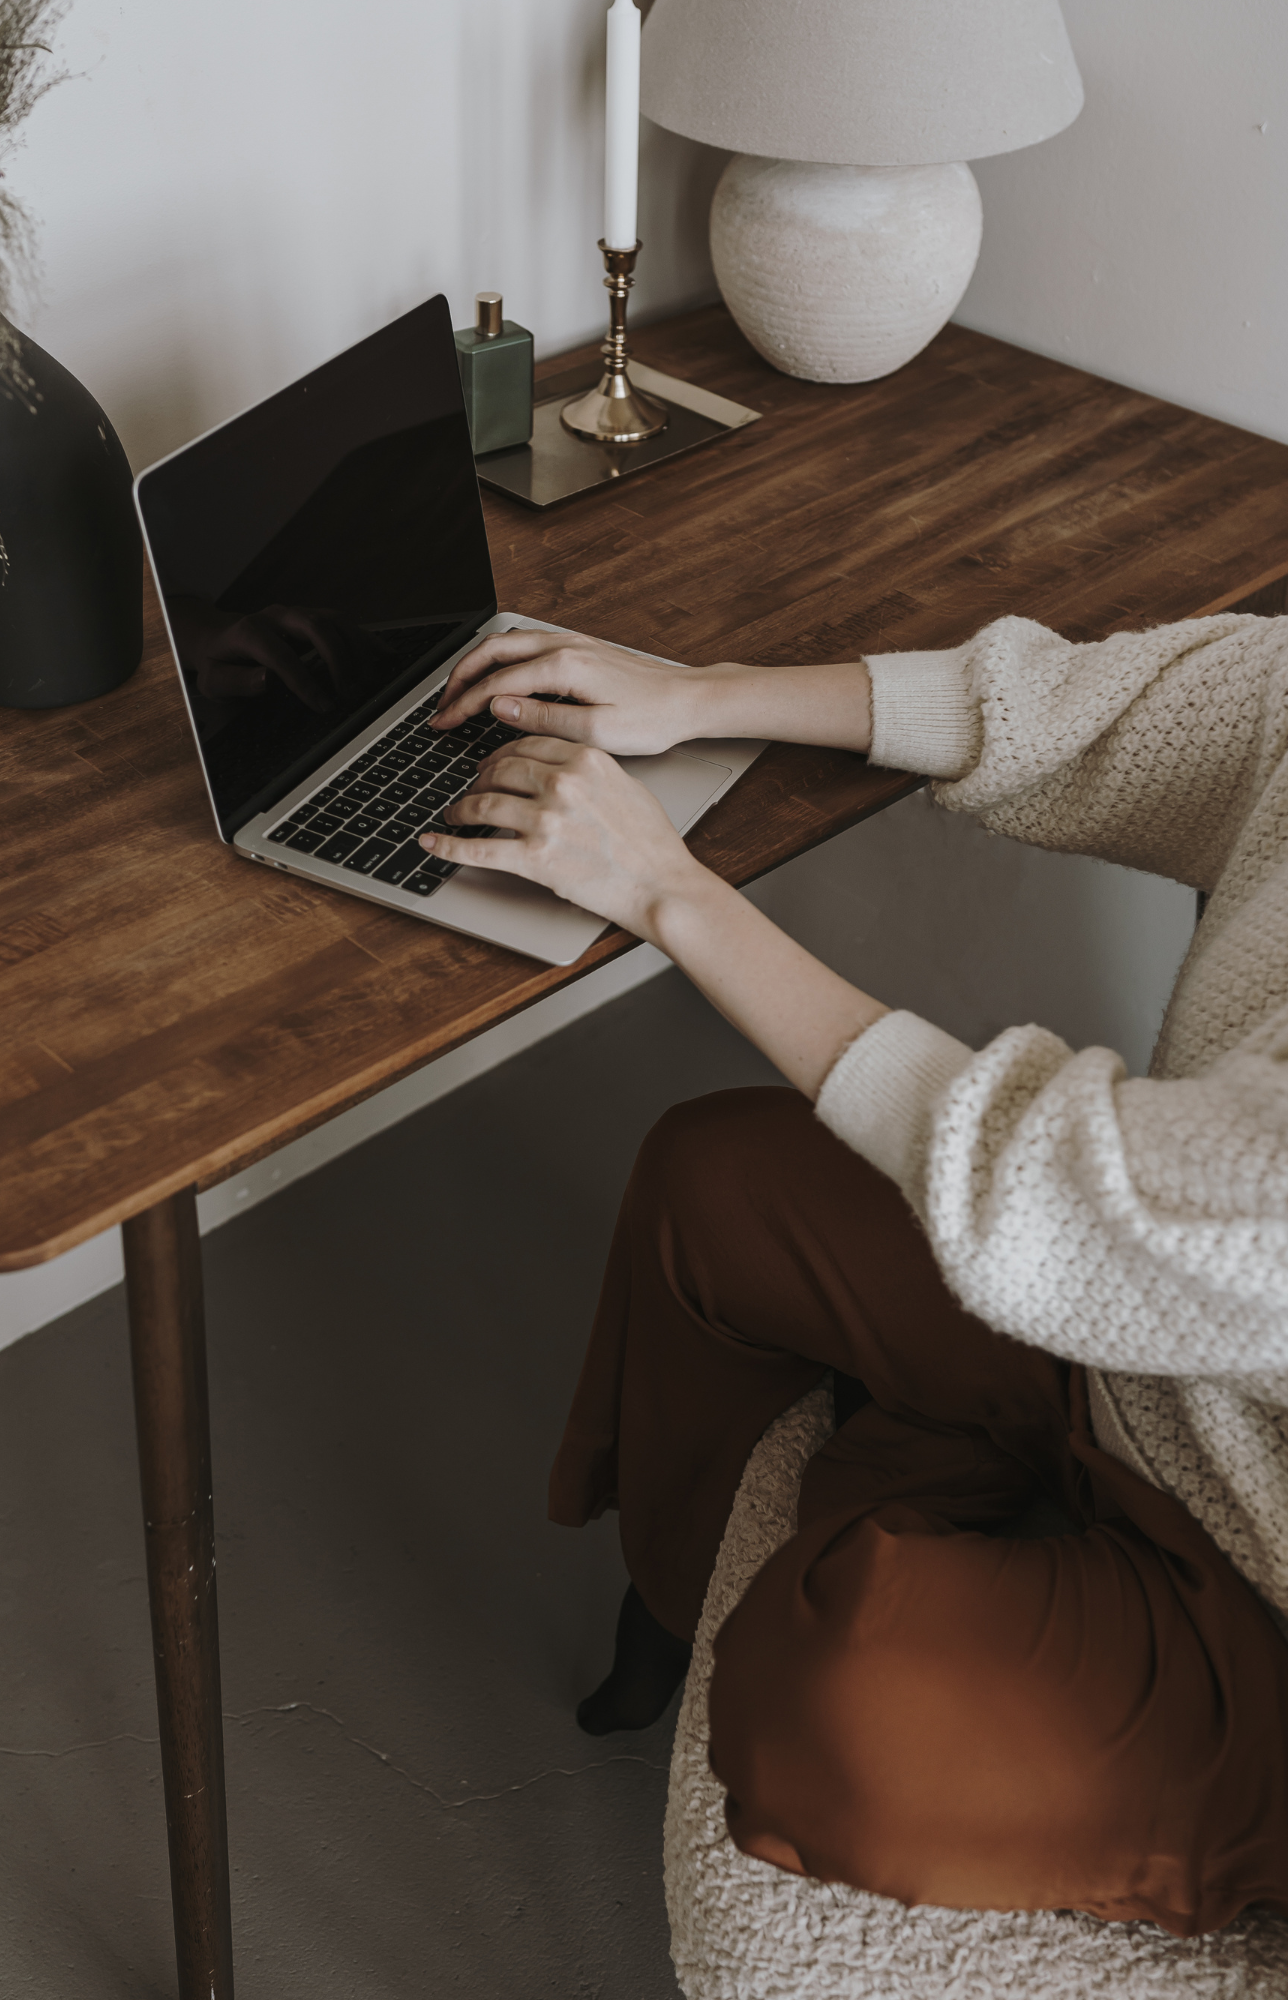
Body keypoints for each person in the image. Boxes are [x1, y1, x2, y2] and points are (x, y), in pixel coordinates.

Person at [424, 612, 1288, 1938]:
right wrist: (704, 692)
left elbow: (1070, 1199)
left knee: (830, 1715)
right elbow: (1149, 710)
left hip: (1261, 1605)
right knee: (715, 1183)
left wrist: (668, 892)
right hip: (1154, 1359)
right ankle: (683, 1592)